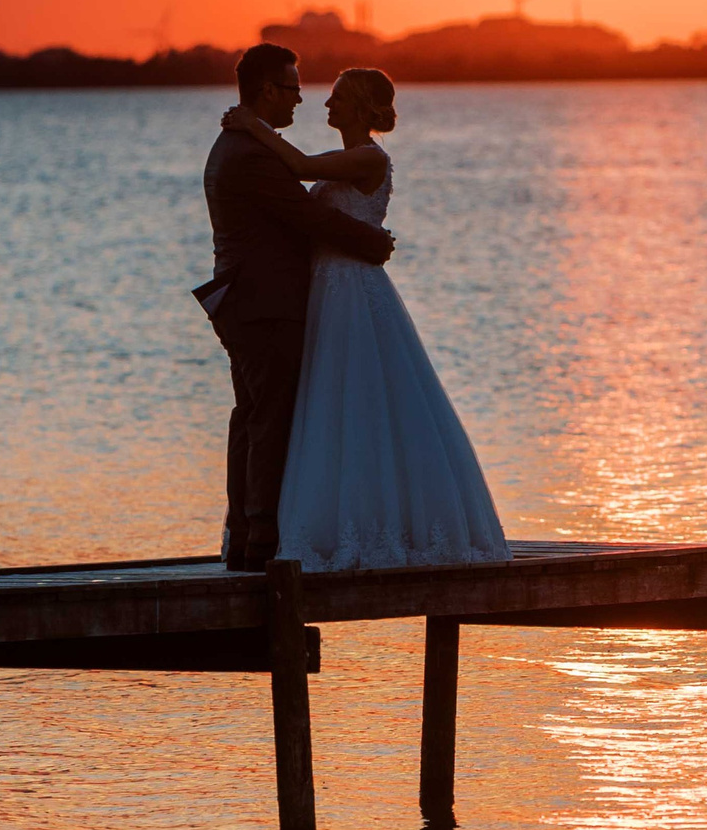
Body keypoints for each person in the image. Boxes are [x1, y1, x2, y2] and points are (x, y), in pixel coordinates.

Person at [219, 65, 511, 571]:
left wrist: (254, 126)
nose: (325, 105)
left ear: (358, 106)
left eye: (336, 98)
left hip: (353, 290)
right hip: (325, 290)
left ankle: (376, 524)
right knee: (328, 404)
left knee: (361, 400)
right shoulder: (345, 158)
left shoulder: (368, 158)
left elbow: (300, 165)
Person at [198, 44, 397, 570]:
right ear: (268, 90)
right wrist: (374, 242)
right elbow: (309, 217)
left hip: (258, 299)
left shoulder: (244, 143)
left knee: (254, 416)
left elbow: (305, 197)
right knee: (268, 419)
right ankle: (261, 540)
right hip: (263, 303)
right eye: (293, 88)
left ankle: (250, 535)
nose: (302, 100)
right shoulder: (251, 152)